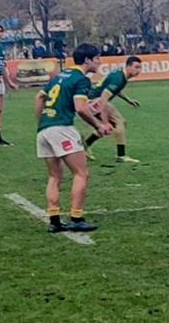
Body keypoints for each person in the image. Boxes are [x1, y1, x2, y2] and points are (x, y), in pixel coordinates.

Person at [33, 43, 111, 233]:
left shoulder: (60, 75)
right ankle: (76, 218)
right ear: (87, 60)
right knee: (81, 173)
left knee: (54, 176)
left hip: (44, 130)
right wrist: (98, 125)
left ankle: (54, 220)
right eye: (97, 58)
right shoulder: (81, 79)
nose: (99, 62)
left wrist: (42, 121)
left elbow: (39, 97)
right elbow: (81, 108)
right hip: (62, 129)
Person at [84, 56, 144, 163]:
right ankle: (121, 156)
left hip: (93, 100)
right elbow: (104, 98)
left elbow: (115, 89)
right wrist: (105, 121)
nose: (138, 70)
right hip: (94, 101)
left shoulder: (121, 75)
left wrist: (128, 100)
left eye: (140, 68)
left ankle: (85, 146)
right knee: (119, 122)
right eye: (136, 67)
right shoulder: (119, 78)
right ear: (128, 66)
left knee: (114, 124)